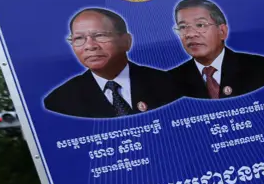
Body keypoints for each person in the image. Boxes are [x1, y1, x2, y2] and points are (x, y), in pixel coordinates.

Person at [44, 8, 180, 118]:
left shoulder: (169, 83)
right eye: (79, 38)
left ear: (126, 41)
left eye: (100, 36)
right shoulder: (59, 101)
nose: (90, 46)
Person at [169, 0, 264, 100]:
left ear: (222, 31)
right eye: (183, 27)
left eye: (200, 25)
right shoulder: (169, 82)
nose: (190, 34)